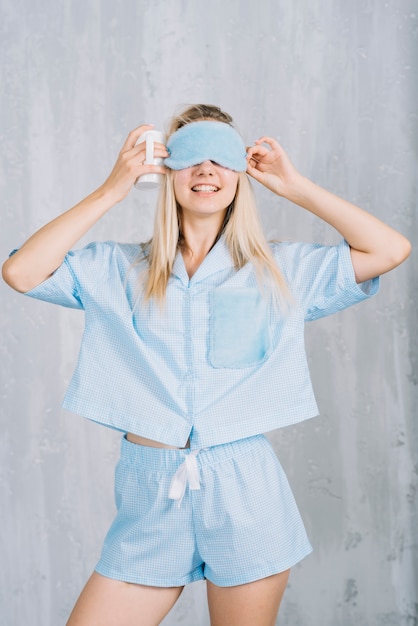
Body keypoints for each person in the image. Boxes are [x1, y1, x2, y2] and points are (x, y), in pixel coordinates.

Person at [2, 103, 411, 626]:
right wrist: (113, 188)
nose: (207, 170)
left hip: (245, 488)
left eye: (222, 158)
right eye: (192, 158)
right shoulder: (115, 269)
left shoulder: (281, 271)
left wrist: (294, 186)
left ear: (240, 174)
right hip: (151, 490)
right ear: (166, 171)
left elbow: (391, 249)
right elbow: (20, 272)